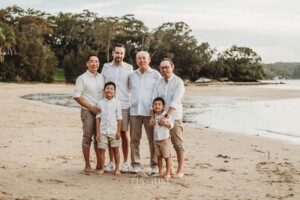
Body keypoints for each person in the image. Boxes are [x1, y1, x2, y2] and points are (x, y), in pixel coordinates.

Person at [101, 43, 133, 173]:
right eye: (117, 53)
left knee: (124, 133)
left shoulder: (129, 68)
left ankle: (125, 162)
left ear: (124, 55)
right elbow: (101, 85)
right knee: (110, 133)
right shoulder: (106, 67)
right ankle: (111, 161)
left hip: (124, 105)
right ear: (113, 53)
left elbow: (134, 86)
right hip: (109, 105)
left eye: (121, 53)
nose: (119, 55)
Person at [152, 58, 185, 178]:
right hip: (160, 119)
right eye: (162, 67)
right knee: (163, 143)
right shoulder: (158, 83)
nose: (164, 69)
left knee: (177, 143)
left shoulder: (178, 82)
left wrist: (166, 116)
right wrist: (153, 117)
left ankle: (180, 170)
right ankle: (169, 169)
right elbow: (154, 101)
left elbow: (176, 101)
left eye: (167, 67)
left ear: (172, 67)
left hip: (174, 117)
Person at [129, 51, 161, 174]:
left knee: (152, 139)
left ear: (149, 59)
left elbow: (160, 93)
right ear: (136, 61)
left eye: (144, 58)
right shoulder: (132, 75)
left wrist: (156, 113)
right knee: (134, 139)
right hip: (135, 111)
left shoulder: (155, 74)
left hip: (150, 112)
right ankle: (135, 164)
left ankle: (154, 165)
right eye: (139, 59)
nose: (141, 60)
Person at [73, 55, 105, 173]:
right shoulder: (82, 78)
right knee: (87, 138)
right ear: (87, 64)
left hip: (101, 113)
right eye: (91, 62)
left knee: (99, 138)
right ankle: (87, 165)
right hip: (88, 112)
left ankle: (99, 164)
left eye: (96, 61)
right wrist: (91, 107)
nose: (94, 64)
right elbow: (76, 96)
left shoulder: (102, 77)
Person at [95, 82, 122, 175]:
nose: (109, 90)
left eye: (111, 89)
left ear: (114, 91)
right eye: (107, 88)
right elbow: (98, 118)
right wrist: (97, 132)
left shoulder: (117, 103)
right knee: (102, 149)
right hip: (102, 130)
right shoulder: (100, 103)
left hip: (114, 130)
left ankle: (117, 168)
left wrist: (118, 131)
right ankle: (102, 168)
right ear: (104, 90)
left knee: (115, 149)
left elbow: (119, 118)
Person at [152, 97, 174, 179]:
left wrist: (165, 123)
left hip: (164, 139)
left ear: (163, 106)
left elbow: (171, 125)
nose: (157, 106)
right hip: (156, 139)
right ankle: (160, 171)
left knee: (167, 156)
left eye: (159, 104)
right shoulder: (153, 116)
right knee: (158, 156)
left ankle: (168, 172)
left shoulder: (166, 115)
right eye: (155, 104)